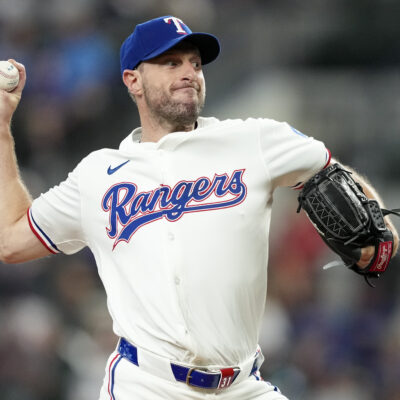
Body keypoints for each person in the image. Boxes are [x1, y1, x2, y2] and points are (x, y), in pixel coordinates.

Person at [0, 15, 398, 400]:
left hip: (243, 385)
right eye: (170, 63)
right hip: (146, 386)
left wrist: (377, 224)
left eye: (194, 62)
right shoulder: (97, 176)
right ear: (132, 80)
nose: (188, 72)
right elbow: (12, 240)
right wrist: (2, 130)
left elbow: (331, 170)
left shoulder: (253, 139)